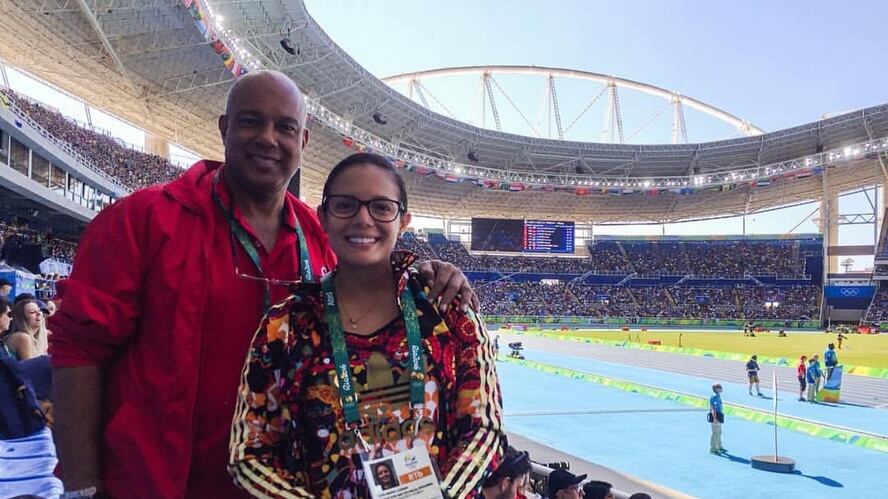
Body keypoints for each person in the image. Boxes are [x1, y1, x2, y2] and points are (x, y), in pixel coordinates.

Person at [50, 72, 478, 499]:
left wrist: (426, 271)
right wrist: (81, 488)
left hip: (283, 488)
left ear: (303, 141)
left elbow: (377, 290)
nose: (268, 139)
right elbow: (78, 351)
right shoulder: (141, 220)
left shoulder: (323, 240)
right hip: (153, 486)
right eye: (251, 121)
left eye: (285, 127)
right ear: (225, 128)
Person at [228, 153, 503, 498]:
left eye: (381, 207)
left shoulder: (448, 313)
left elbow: (485, 431)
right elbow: (249, 454)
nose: (363, 219)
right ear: (323, 217)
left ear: (403, 221)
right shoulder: (285, 326)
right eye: (345, 206)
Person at [709, 384, 726, 454]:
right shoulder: (714, 396)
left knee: (719, 432)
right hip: (716, 416)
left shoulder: (718, 395)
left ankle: (719, 446)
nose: (722, 388)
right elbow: (713, 408)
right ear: (716, 389)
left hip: (719, 415)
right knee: (715, 433)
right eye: (720, 387)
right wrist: (715, 418)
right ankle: (713, 449)